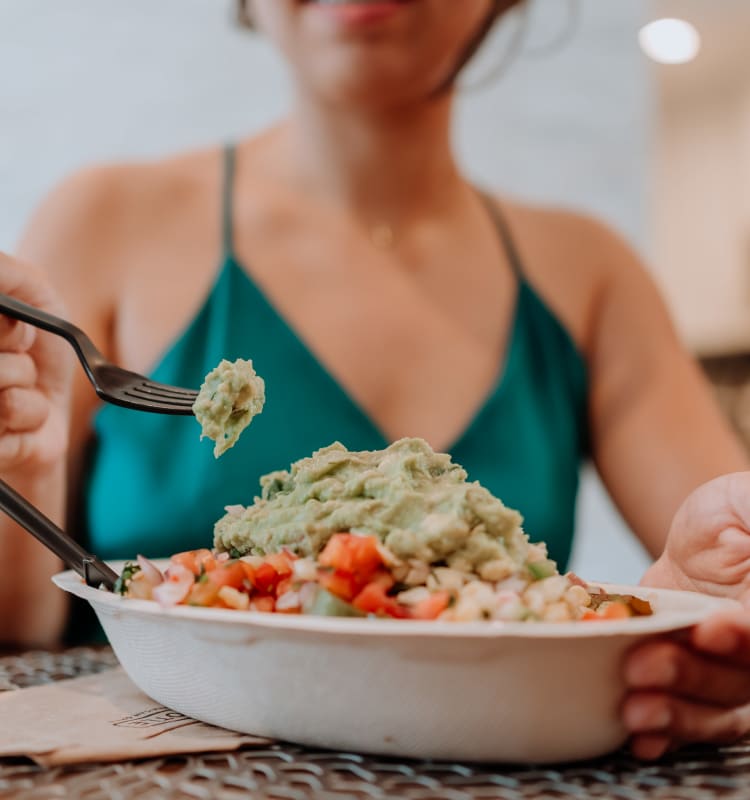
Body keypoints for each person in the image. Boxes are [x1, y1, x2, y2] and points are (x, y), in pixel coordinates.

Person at [2, 0, 750, 760]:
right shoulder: (104, 221)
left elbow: (722, 552)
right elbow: (12, 640)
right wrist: (19, 459)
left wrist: (695, 615)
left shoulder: (593, 274)